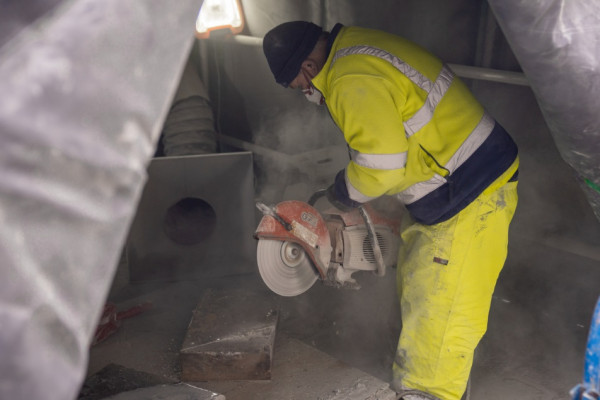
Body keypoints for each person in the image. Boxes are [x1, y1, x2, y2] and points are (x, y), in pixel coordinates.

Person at [262, 21, 519, 400]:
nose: (308, 95)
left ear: (308, 69)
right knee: (419, 292)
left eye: (301, 89)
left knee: (437, 318)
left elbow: (381, 165)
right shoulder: (354, 48)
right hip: (447, 185)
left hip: (468, 192)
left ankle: (424, 392)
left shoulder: (349, 79)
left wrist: (343, 193)